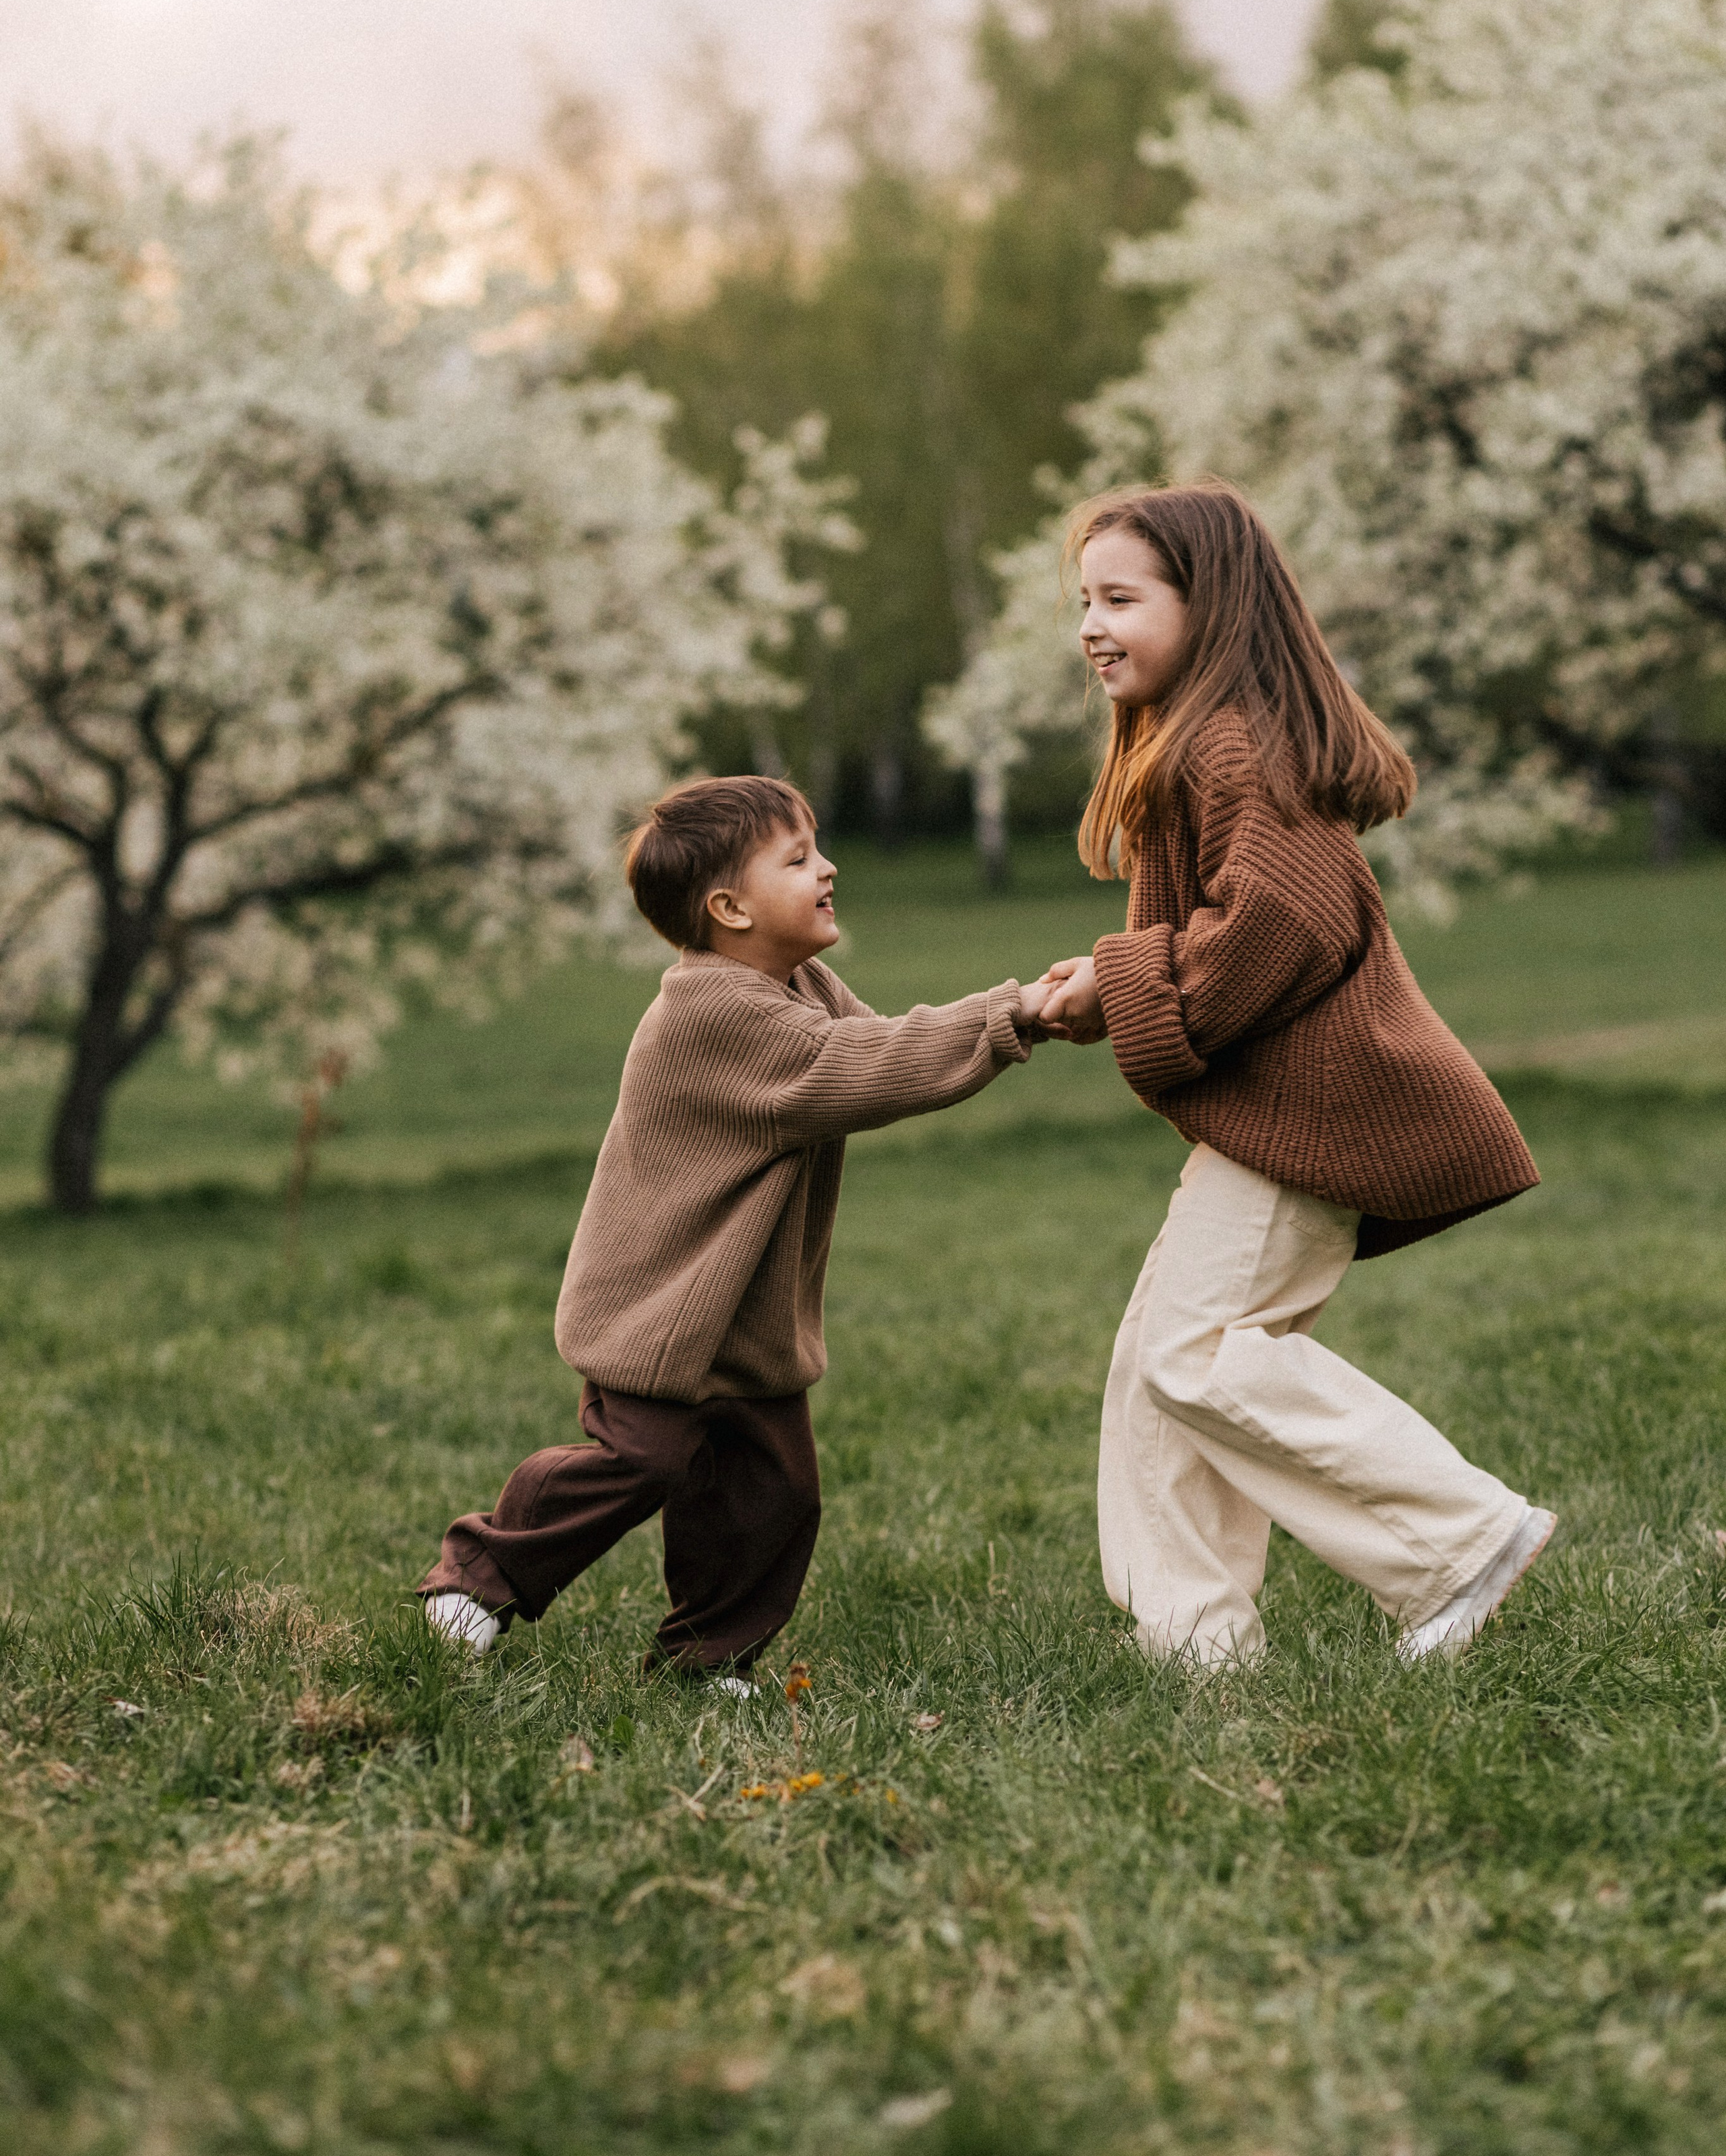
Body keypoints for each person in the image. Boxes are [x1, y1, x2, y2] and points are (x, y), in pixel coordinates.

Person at [1036, 482, 1551, 1667]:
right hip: (1277, 1120)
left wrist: (1124, 986)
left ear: (1206, 605)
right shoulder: (1205, 738)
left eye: (1122, 598)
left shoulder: (1234, 741)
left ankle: (1460, 1543)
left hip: (1310, 1117)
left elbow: (1282, 920)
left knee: (1193, 1356)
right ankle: (1199, 1646)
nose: (1092, 627)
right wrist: (1118, 982)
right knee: (1159, 1368)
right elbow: (1233, 928)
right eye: (1085, 602)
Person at [417, 775, 1055, 1683]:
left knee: (773, 1497)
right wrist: (1013, 1013)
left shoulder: (797, 981)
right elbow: (854, 1066)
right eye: (799, 859)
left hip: (742, 1323)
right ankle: (477, 1579)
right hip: (662, 1312)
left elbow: (884, 1052)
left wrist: (1022, 1018)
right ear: (729, 907)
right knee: (638, 1464)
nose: (828, 868)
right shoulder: (711, 1011)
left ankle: (706, 1663)